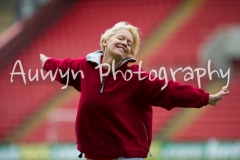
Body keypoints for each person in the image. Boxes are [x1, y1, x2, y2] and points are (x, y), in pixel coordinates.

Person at [40, 22, 230, 160]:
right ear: (105, 41)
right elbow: (62, 66)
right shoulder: (84, 66)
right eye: (120, 38)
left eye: (129, 43)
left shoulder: (136, 78)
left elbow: (169, 90)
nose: (125, 43)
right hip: (93, 155)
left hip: (125, 156)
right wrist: (46, 62)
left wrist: (205, 98)